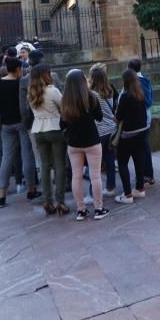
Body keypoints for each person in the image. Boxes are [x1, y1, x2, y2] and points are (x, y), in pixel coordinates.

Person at [61, 69, 110, 220]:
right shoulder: (91, 97)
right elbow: (100, 117)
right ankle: (98, 208)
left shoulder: (65, 100)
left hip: (74, 143)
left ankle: (81, 210)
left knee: (77, 176)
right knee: (95, 176)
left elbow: (62, 124)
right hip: (92, 141)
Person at [0, 57, 39, 207]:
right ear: (18, 69)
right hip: (21, 122)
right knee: (27, 155)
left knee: (6, 158)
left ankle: (2, 194)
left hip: (6, 124)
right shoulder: (20, 82)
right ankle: (31, 190)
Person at [28, 64, 67, 215]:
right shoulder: (52, 90)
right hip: (54, 128)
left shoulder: (31, 92)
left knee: (44, 166)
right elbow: (64, 107)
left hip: (38, 129)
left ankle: (47, 201)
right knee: (59, 165)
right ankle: (60, 201)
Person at [113, 69, 149, 204]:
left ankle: (127, 194)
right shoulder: (140, 93)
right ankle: (140, 189)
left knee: (122, 162)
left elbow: (118, 117)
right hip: (142, 132)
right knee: (139, 159)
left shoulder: (125, 96)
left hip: (128, 135)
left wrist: (114, 117)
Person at [89, 63, 120, 200]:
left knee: (94, 164)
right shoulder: (110, 90)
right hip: (111, 129)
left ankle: (92, 193)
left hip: (99, 131)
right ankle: (111, 187)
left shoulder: (92, 94)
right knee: (109, 161)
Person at [126, 59, 156, 186]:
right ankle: (146, 174)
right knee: (144, 146)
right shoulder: (146, 79)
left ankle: (146, 175)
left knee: (142, 147)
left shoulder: (136, 82)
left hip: (140, 118)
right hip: (146, 116)